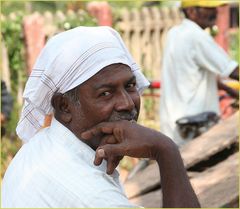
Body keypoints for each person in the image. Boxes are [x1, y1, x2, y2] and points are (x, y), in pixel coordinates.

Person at [1, 26, 200, 208]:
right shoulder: (91, 195)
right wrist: (166, 151)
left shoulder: (43, 145)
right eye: (105, 93)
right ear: (64, 106)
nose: (127, 104)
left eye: (130, 86)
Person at [160, 0, 239, 146]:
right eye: (208, 8)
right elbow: (233, 71)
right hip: (195, 127)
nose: (215, 12)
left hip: (173, 125)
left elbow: (192, 73)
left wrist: (229, 90)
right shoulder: (196, 36)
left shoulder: (175, 33)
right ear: (191, 11)